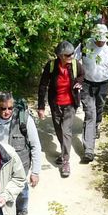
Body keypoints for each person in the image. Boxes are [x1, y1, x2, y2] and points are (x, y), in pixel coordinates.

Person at [0, 91, 42, 215]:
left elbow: (36, 145)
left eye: (10, 108)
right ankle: (1, 214)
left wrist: (35, 172)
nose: (7, 112)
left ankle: (22, 207)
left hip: (20, 164)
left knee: (21, 187)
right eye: (3, 108)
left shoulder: (23, 119)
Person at [37, 41, 85, 178]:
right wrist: (41, 106)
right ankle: (65, 153)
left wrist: (78, 83)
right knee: (59, 131)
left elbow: (82, 75)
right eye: (68, 55)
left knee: (66, 131)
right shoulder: (51, 66)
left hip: (70, 104)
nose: (71, 56)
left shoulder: (76, 65)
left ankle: (65, 161)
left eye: (72, 54)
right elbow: (43, 86)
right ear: (60, 56)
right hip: (55, 104)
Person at [79, 24, 108, 163]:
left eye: (103, 40)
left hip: (104, 84)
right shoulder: (85, 45)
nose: (101, 42)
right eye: (99, 40)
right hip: (87, 84)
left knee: (99, 108)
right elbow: (73, 62)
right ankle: (89, 150)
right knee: (90, 113)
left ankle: (96, 125)